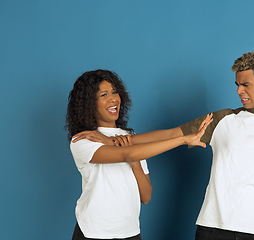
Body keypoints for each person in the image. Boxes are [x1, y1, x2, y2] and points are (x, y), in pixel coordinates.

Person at [74, 52, 254, 240]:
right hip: (210, 229)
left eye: (246, 84)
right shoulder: (221, 119)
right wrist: (111, 139)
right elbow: (168, 133)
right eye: (237, 84)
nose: (239, 91)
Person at [66, 69, 213, 240]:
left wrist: (136, 163)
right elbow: (126, 154)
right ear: (89, 103)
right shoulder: (84, 140)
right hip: (93, 233)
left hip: (130, 233)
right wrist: (183, 140)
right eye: (104, 95)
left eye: (114, 92)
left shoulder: (133, 141)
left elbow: (146, 196)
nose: (113, 98)